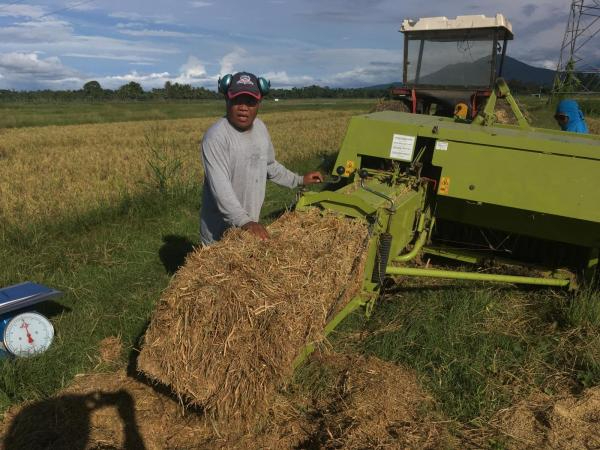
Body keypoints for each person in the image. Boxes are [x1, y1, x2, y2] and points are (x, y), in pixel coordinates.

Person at [200, 71, 323, 245]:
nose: (243, 107)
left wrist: (299, 179)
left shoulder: (260, 129)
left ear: (259, 103)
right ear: (227, 99)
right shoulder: (216, 137)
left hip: (248, 228)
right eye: (237, 100)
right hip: (220, 234)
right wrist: (245, 222)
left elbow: (270, 165)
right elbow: (220, 189)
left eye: (250, 102)